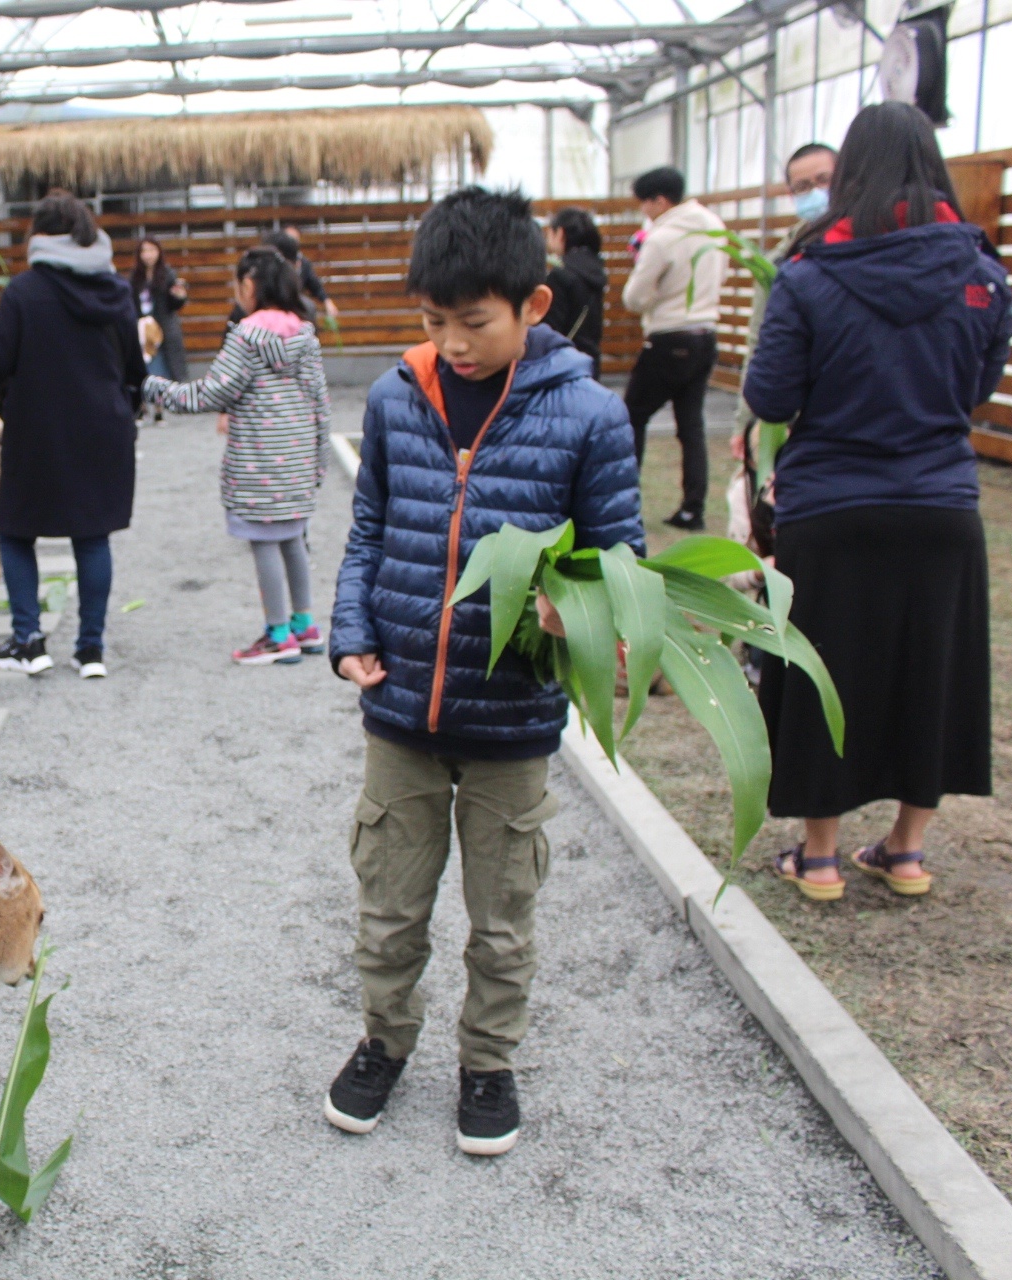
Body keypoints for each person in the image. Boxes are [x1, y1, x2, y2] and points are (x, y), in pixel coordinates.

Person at [324, 187, 641, 1153]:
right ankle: (384, 1041)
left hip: (511, 723)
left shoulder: (590, 417)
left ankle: (489, 1063)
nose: (453, 344)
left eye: (473, 323)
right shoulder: (393, 398)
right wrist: (351, 631)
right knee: (388, 908)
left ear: (532, 306)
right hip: (402, 716)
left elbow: (617, 566)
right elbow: (371, 527)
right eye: (434, 321)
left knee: (502, 920)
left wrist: (572, 617)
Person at [743, 102, 1012, 902]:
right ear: (933, 166)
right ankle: (906, 851)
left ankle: (818, 856)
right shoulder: (982, 274)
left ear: (848, 173)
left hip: (831, 509)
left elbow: (771, 394)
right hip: (942, 506)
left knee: (826, 670)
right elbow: (979, 391)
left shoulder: (811, 276)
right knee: (931, 673)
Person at [0, 189, 145, 679]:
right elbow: (136, 369)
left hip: (38, 434)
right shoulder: (117, 291)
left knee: (15, 532)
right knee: (92, 538)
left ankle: (29, 642)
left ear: (40, 236)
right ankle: (90, 651)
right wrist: (125, 411)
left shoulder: (26, 292)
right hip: (103, 431)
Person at [141, 246, 332, 666]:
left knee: (264, 543)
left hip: (257, 464)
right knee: (293, 541)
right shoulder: (305, 334)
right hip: (298, 460)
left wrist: (153, 386)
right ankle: (306, 626)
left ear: (249, 285)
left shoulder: (246, 336)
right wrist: (318, 459)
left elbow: (210, 393)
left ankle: (278, 634)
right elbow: (321, 401)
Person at [730, 141, 839, 557]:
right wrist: (746, 420)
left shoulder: (862, 249)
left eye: (823, 180)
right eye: (802, 186)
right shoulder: (780, 261)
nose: (813, 193)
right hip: (783, 413)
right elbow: (759, 342)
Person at [620, 165, 728, 531]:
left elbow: (634, 297)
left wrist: (652, 295)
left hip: (668, 338)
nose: (644, 212)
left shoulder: (662, 237)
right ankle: (692, 508)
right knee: (691, 426)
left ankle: (623, 500)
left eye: (644, 204)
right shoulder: (714, 226)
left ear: (660, 200)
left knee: (631, 416)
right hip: (706, 335)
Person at [541, 207, 607, 366]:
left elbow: (552, 329)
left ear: (560, 234)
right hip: (590, 359)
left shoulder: (560, 275)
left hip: (564, 361)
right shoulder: (596, 269)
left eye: (550, 233)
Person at [130, 235, 190, 384]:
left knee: (168, 373)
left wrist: (179, 296)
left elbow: (175, 304)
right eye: (144, 251)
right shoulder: (135, 277)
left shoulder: (168, 274)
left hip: (165, 331)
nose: (148, 255)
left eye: (152, 250)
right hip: (143, 332)